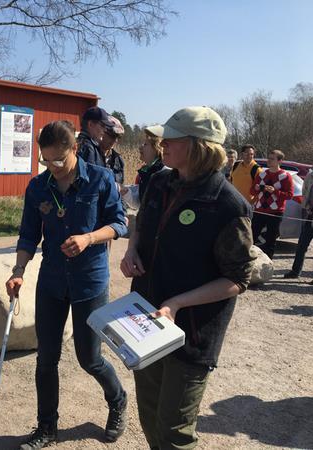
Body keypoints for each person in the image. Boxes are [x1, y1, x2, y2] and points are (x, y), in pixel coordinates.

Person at [120, 106, 256, 449]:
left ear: (199, 145)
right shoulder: (160, 182)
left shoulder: (228, 206)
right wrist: (132, 249)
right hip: (147, 321)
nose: (163, 143)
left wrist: (179, 303)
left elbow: (238, 279)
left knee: (175, 433)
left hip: (191, 334)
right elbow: (141, 226)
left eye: (172, 139)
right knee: (150, 417)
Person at [6, 120, 128, 449]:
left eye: (58, 160)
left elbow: (119, 223)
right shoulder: (38, 187)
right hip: (52, 281)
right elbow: (29, 234)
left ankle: (117, 400)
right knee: (46, 359)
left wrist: (89, 238)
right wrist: (18, 269)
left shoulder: (101, 179)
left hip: (90, 281)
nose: (53, 168)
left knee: (90, 358)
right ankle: (47, 427)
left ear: (74, 149)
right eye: (45, 161)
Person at [284, 154, 313, 282]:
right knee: (301, 245)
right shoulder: (311, 177)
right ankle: (295, 271)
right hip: (309, 216)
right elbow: (305, 194)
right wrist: (307, 208)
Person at [250, 149, 294, 258]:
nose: (269, 161)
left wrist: (274, 191)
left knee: (270, 241)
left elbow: (289, 195)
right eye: (268, 158)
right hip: (259, 210)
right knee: (251, 238)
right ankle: (248, 261)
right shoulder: (262, 174)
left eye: (272, 159)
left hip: (275, 212)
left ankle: (268, 265)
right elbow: (251, 191)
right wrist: (256, 188)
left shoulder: (285, 176)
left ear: (280, 161)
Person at [99, 114, 125, 191]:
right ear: (102, 132)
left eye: (117, 137)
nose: (115, 140)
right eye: (112, 135)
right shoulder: (91, 155)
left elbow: (120, 188)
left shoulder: (118, 160)